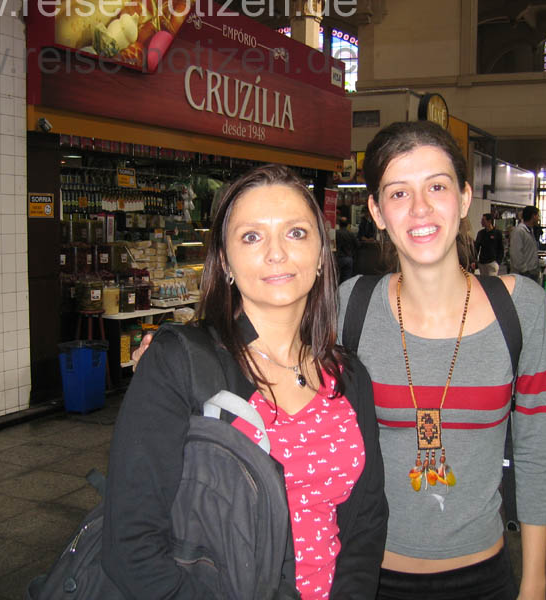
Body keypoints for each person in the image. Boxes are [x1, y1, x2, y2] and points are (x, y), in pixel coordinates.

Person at [110, 164, 388, 599]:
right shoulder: (181, 363)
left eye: (296, 233)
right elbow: (132, 542)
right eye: (252, 236)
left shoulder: (349, 377)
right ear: (225, 262)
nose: (276, 252)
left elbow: (367, 516)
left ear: (320, 254)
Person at [341, 121, 546, 600]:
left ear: (462, 198)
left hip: (484, 576)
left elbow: (535, 448)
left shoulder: (521, 308)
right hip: (368, 575)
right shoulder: (350, 306)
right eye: (398, 193)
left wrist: (535, 582)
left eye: (436, 186)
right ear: (376, 211)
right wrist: (174, 348)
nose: (420, 208)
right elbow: (269, 358)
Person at [509, 205, 542, 283]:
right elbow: (516, 253)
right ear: (533, 216)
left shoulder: (530, 230)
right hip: (524, 274)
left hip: (531, 271)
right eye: (538, 215)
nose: (538, 218)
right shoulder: (519, 231)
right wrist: (524, 270)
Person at [335, 215, 358, 282]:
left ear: (339, 224)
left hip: (338, 258)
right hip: (349, 258)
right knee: (347, 280)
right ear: (347, 225)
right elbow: (357, 244)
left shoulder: (336, 233)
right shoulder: (351, 234)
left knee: (337, 279)